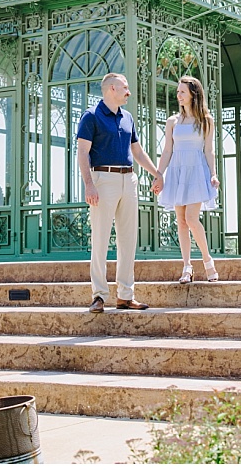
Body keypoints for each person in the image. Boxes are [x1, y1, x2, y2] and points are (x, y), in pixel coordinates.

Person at [77, 72, 164, 312]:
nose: (129, 92)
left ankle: (126, 295)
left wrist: (156, 173)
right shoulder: (91, 116)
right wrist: (89, 184)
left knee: (128, 240)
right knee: (101, 239)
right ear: (111, 89)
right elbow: (82, 152)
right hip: (102, 179)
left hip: (129, 179)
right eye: (125, 87)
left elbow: (137, 151)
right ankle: (99, 296)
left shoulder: (127, 117)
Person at [155, 75, 221, 284]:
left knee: (192, 218)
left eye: (182, 91)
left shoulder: (206, 121)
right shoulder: (172, 121)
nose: (179, 95)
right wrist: (159, 174)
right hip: (176, 170)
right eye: (178, 92)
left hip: (197, 172)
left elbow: (209, 151)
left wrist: (213, 173)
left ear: (193, 94)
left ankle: (207, 260)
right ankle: (187, 266)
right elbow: (167, 150)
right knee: (181, 222)